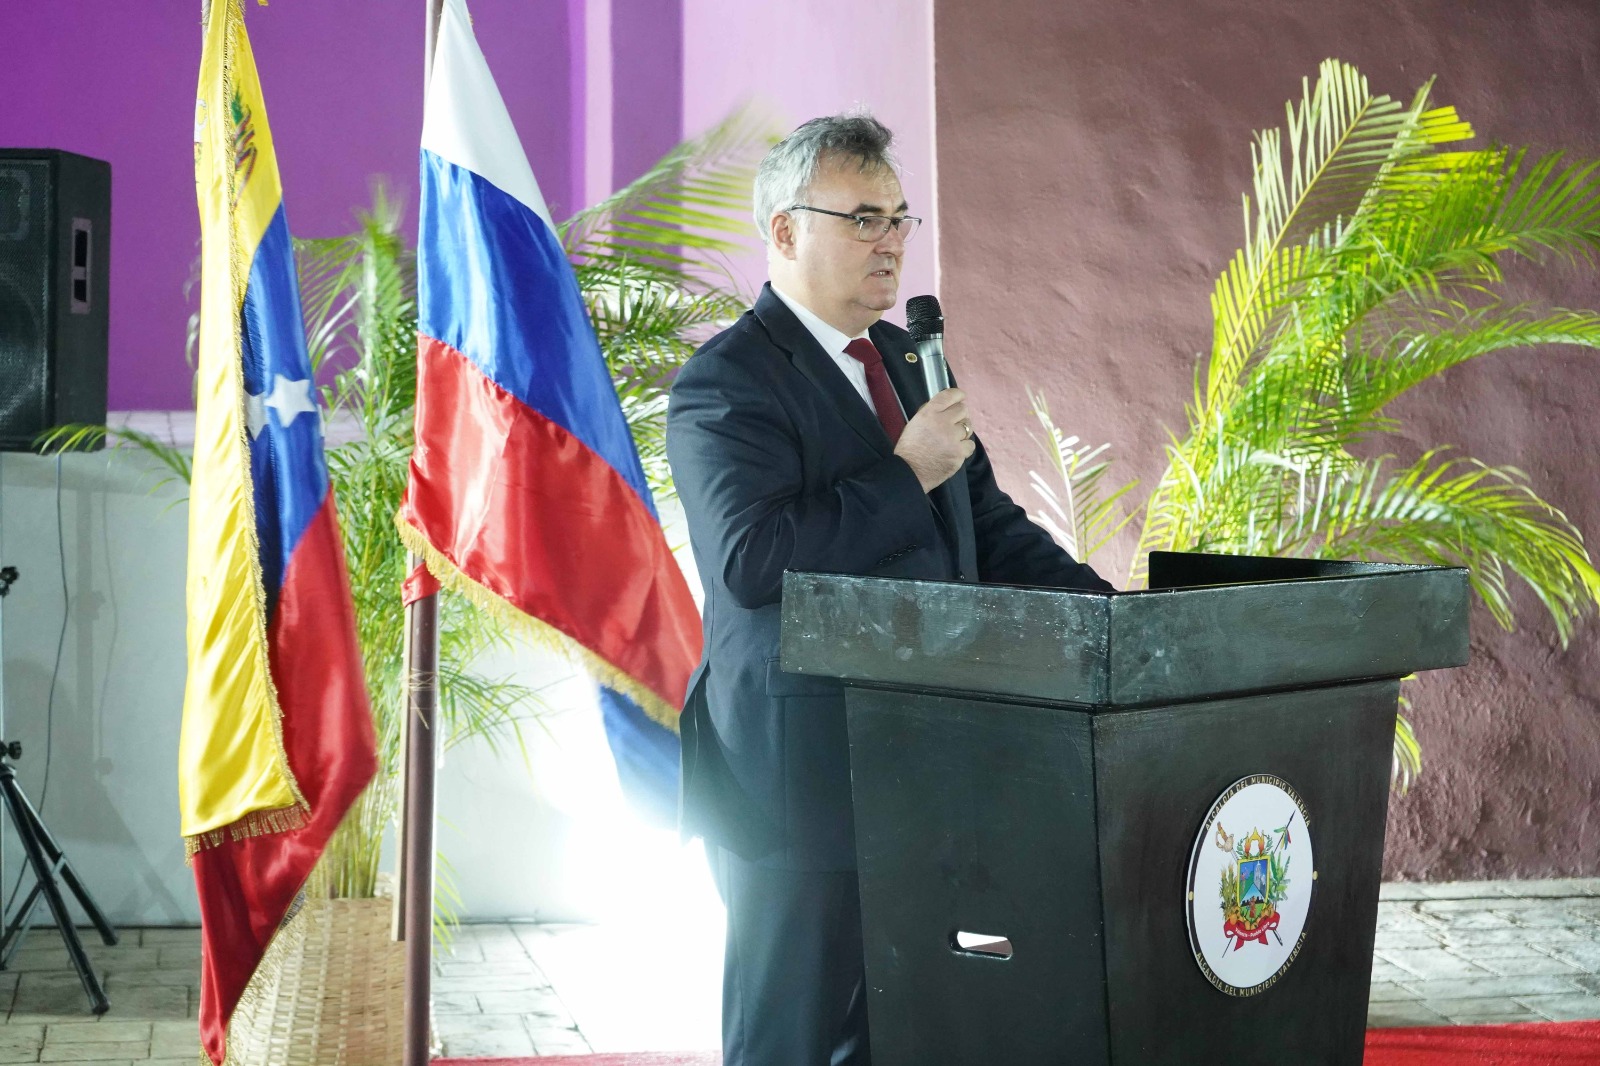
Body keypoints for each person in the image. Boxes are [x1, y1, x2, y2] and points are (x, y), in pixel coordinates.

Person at [665, 112, 1114, 1066]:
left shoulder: (908, 364)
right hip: (795, 773)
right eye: (865, 218)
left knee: (904, 1031)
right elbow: (752, 561)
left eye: (902, 219)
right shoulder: (726, 383)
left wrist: (1113, 615)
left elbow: (985, 531)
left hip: (925, 762)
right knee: (791, 1034)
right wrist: (903, 474)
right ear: (785, 232)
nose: (893, 242)